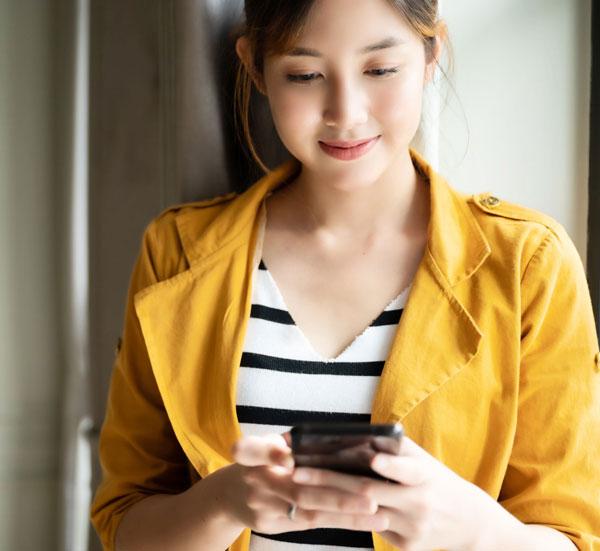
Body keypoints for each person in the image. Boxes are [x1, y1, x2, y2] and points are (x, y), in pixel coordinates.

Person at [90, 1, 600, 550]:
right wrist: (226, 499)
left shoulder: (528, 264)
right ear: (255, 68)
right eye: (305, 75)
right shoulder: (178, 253)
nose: (345, 112)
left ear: (431, 54)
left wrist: (467, 528)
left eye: (380, 70)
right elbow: (127, 523)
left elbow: (572, 536)